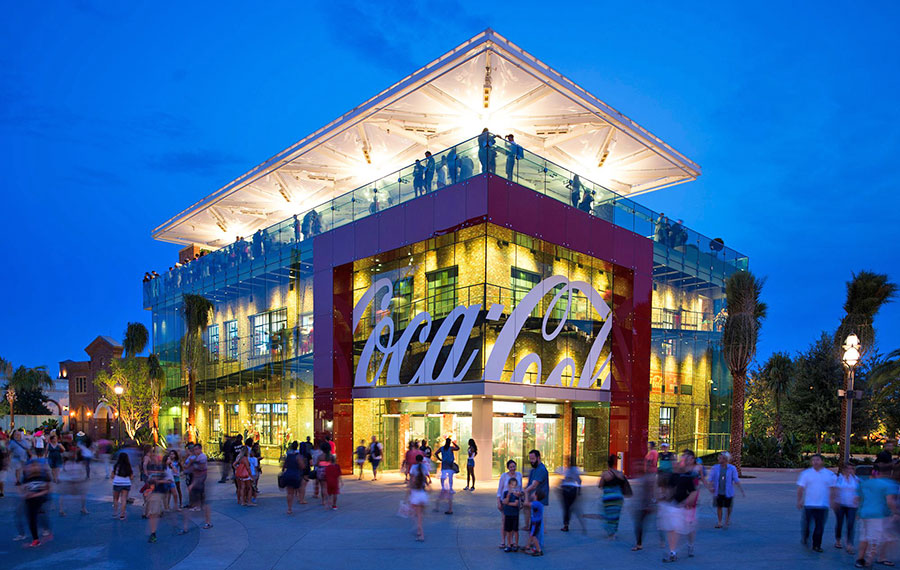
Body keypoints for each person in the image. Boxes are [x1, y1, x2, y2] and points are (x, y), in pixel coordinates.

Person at [659, 450, 701, 562]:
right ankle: (673, 552)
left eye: (679, 461)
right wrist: (664, 496)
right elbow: (668, 489)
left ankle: (689, 545)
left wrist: (687, 502)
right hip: (674, 507)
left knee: (687, 529)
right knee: (672, 529)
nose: (675, 464)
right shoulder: (673, 476)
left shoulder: (688, 476)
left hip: (685, 507)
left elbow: (694, 492)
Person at [856, 464, 899, 568]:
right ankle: (869, 561)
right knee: (875, 539)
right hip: (878, 515)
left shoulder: (864, 483)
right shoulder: (889, 484)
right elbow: (890, 501)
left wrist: (858, 512)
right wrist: (896, 512)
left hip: (864, 513)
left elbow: (858, 499)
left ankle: (859, 559)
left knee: (864, 537)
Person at [797, 453, 836, 552]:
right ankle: (805, 537)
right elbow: (801, 488)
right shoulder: (806, 473)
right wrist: (799, 500)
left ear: (822, 461)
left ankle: (817, 545)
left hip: (822, 505)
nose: (815, 462)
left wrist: (832, 501)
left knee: (819, 526)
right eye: (813, 460)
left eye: (818, 460)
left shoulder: (829, 474)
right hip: (809, 504)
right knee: (807, 525)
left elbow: (832, 489)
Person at [21, 449, 52, 548]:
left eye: (35, 466)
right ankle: (37, 537)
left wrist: (35, 495)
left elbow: (47, 490)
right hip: (30, 500)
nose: (32, 468)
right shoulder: (27, 477)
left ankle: (37, 539)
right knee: (33, 517)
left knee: (33, 517)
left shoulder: (42, 477)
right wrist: (25, 493)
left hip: (39, 498)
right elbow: (24, 488)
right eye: (31, 466)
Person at [180, 443, 212, 533]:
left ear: (200, 449)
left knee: (203, 504)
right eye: (194, 450)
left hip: (199, 484)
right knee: (192, 505)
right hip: (195, 483)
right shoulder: (196, 458)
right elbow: (188, 469)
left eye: (196, 449)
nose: (195, 451)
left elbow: (197, 470)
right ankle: (185, 527)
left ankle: (208, 522)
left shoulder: (202, 458)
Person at [707, 451, 744, 528]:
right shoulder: (715, 468)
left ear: (725, 459)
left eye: (720, 458)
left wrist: (741, 490)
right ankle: (720, 522)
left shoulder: (732, 468)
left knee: (728, 507)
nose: (718, 459)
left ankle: (727, 519)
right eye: (719, 457)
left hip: (728, 491)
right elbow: (710, 478)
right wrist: (711, 487)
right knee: (719, 506)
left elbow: (736, 479)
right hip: (718, 491)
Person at [833, 462, 860, 552]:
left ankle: (849, 543)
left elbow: (860, 491)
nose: (849, 470)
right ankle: (838, 540)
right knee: (840, 523)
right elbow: (835, 490)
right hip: (841, 504)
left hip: (852, 505)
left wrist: (858, 500)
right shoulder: (839, 479)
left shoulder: (857, 480)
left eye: (851, 469)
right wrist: (834, 501)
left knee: (850, 524)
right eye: (848, 468)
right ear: (844, 470)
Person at [599, 453, 628, 538]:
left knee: (608, 514)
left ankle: (610, 532)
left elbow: (600, 485)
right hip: (618, 497)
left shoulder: (605, 474)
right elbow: (624, 485)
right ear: (615, 464)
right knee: (616, 515)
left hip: (608, 497)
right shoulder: (620, 474)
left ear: (608, 464)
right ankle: (614, 531)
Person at [497, 459, 524, 548]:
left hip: (516, 500)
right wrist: (499, 502)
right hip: (506, 500)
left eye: (514, 466)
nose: (513, 468)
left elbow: (521, 488)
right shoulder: (504, 476)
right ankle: (503, 541)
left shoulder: (519, 475)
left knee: (514, 521)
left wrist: (522, 499)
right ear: (508, 468)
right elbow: (499, 489)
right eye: (511, 467)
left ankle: (511, 541)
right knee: (505, 521)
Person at [524, 449, 550, 543]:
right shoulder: (534, 470)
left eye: (533, 458)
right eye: (530, 459)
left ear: (538, 458)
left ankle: (538, 545)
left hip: (540, 500)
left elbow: (534, 485)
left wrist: (526, 492)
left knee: (538, 525)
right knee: (534, 523)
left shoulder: (541, 469)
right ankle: (534, 544)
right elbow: (529, 484)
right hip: (534, 499)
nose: (531, 461)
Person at [145, 448, 168, 543]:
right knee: (152, 514)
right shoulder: (153, 466)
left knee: (153, 514)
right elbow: (151, 480)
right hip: (155, 492)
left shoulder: (161, 467)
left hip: (157, 493)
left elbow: (156, 480)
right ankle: (152, 532)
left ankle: (153, 533)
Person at [435, 438, 460, 514]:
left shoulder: (442, 448)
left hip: (444, 465)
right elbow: (458, 448)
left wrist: (440, 459)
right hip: (450, 465)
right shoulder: (451, 448)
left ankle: (443, 487)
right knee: (450, 478)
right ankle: (451, 488)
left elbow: (436, 453)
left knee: (443, 477)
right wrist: (454, 443)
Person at [408, 454, 429, 541]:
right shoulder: (424, 467)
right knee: (420, 514)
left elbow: (412, 479)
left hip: (416, 492)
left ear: (416, 460)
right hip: (423, 492)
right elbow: (426, 477)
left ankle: (420, 533)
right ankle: (419, 530)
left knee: (416, 513)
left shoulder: (413, 467)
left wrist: (409, 490)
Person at [559, 455, 582, 533]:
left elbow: (566, 479)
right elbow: (579, 480)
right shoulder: (575, 469)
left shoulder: (567, 470)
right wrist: (579, 490)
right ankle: (568, 522)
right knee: (569, 507)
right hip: (573, 490)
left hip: (566, 490)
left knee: (567, 508)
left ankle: (566, 524)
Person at [282, 442, 304, 514]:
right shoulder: (298, 456)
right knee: (298, 488)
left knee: (289, 492)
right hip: (295, 475)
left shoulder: (288, 456)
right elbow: (302, 466)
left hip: (288, 474)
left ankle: (289, 508)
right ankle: (300, 499)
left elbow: (284, 465)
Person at [502, 477, 522, 552]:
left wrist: (507, 503)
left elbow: (516, 504)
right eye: (512, 485)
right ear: (509, 485)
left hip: (515, 514)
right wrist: (508, 496)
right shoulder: (506, 493)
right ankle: (509, 544)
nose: (513, 487)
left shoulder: (517, 494)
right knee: (508, 530)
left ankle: (516, 544)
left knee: (515, 530)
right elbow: (504, 501)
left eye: (515, 485)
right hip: (508, 514)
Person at [112, 452, 133, 520]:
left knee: (115, 499)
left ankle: (115, 513)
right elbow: (131, 477)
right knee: (123, 499)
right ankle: (122, 514)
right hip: (126, 483)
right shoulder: (128, 466)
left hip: (117, 483)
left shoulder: (116, 465)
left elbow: (112, 475)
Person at [525, 489, 545, 556]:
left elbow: (526, 504)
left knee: (533, 535)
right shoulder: (538, 503)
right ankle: (527, 546)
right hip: (535, 521)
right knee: (531, 534)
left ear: (536, 495)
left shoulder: (536, 503)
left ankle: (539, 550)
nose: (532, 494)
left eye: (533, 493)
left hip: (535, 522)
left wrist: (526, 494)